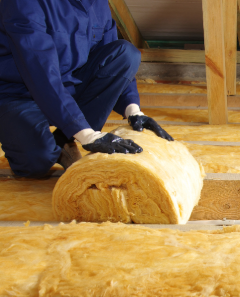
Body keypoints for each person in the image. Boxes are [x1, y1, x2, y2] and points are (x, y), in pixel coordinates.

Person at [0, 0, 173, 178]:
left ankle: (66, 139)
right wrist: (87, 134)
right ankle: (67, 136)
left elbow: (113, 56)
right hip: (17, 94)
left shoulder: (96, 3)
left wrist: (133, 110)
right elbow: (39, 71)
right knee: (36, 164)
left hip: (68, 86)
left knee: (126, 54)